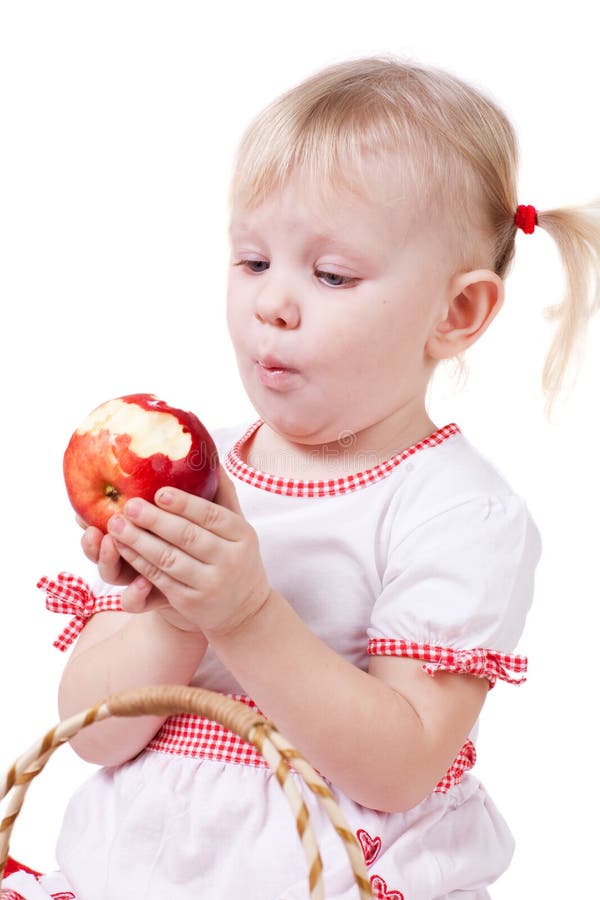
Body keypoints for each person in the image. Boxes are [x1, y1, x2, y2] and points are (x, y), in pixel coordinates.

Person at [3, 55, 600, 900]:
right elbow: (95, 736)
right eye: (252, 262)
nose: (273, 304)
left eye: (330, 276)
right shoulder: (196, 469)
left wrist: (244, 615)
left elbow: (399, 769)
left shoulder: (456, 511)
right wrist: (176, 624)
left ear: (456, 312)